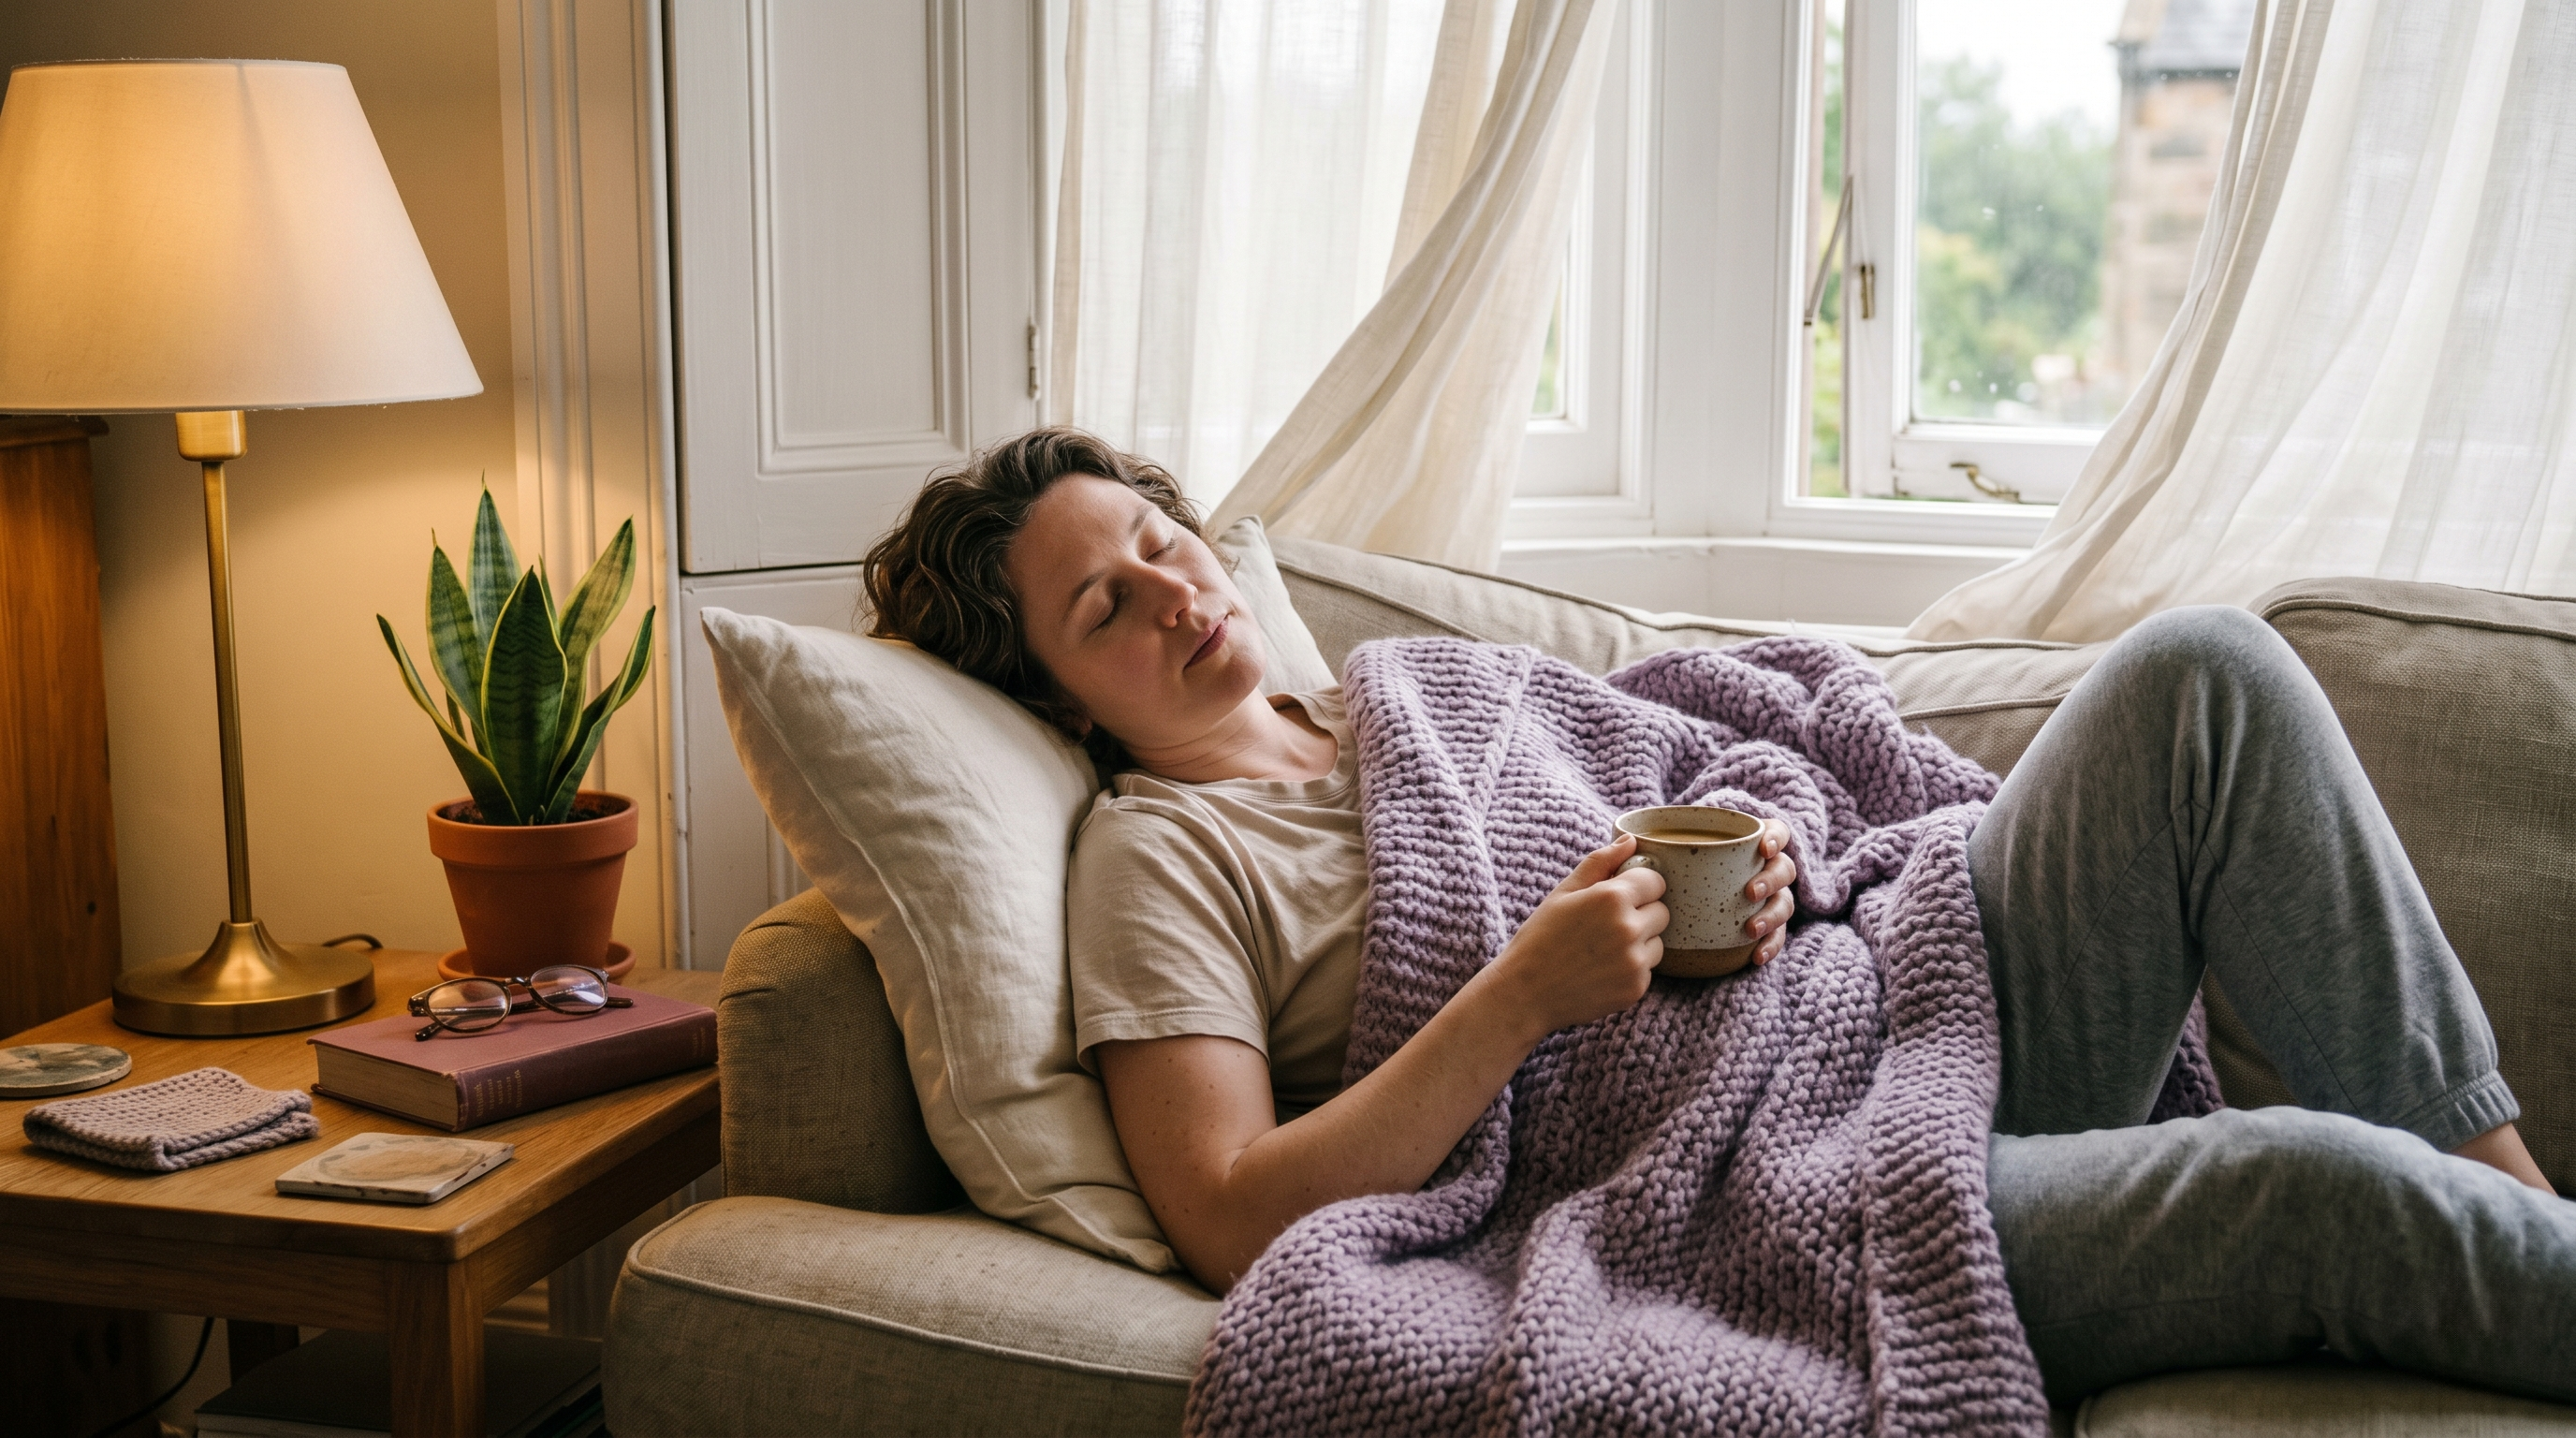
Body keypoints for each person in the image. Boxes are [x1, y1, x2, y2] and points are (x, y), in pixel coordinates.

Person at [861, 428, 2575, 1405]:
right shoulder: (1158, 861)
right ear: (1064, 699)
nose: (1173, 591)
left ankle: (2530, 1213)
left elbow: (1706, 757)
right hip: (1771, 1196)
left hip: (1904, 1002)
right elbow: (1232, 1215)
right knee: (2307, 1193)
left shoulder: (1412, 690)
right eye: (1105, 604)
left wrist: (1773, 847)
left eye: (1161, 540)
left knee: (2208, 668)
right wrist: (1527, 994)